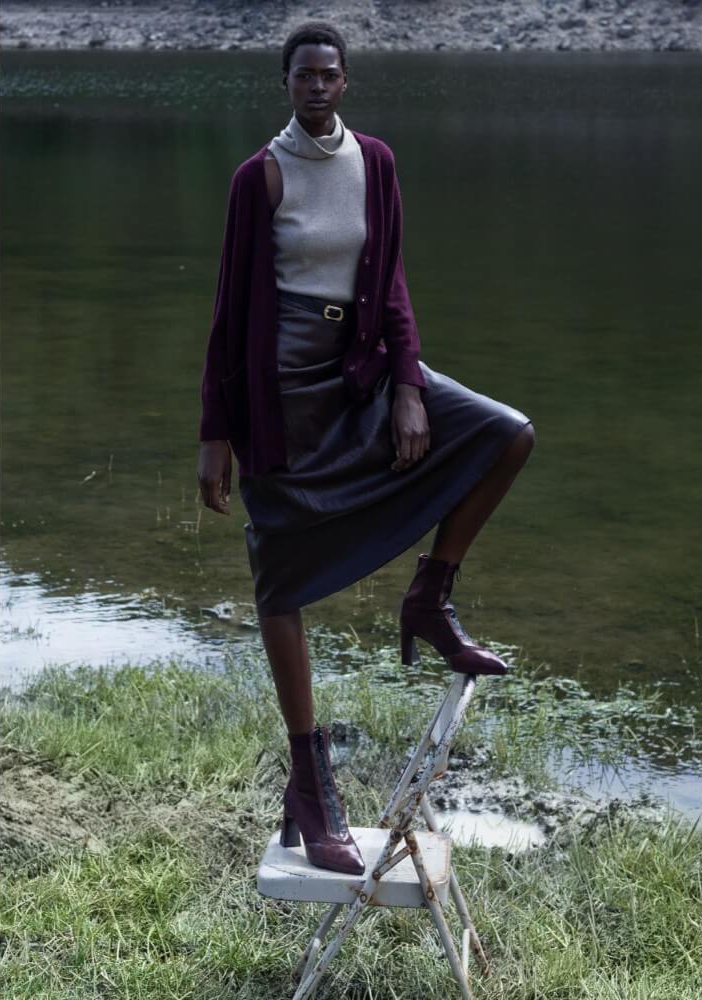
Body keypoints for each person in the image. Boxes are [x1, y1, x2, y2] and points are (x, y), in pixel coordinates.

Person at [197, 22, 535, 876]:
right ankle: (313, 785)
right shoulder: (259, 177)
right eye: (303, 75)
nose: (317, 86)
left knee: (504, 433)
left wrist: (411, 384)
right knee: (281, 578)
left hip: (362, 374)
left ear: (345, 83)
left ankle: (430, 598)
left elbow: (391, 284)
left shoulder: (375, 162)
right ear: (287, 85)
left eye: (329, 74)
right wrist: (215, 435)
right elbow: (229, 311)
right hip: (279, 399)